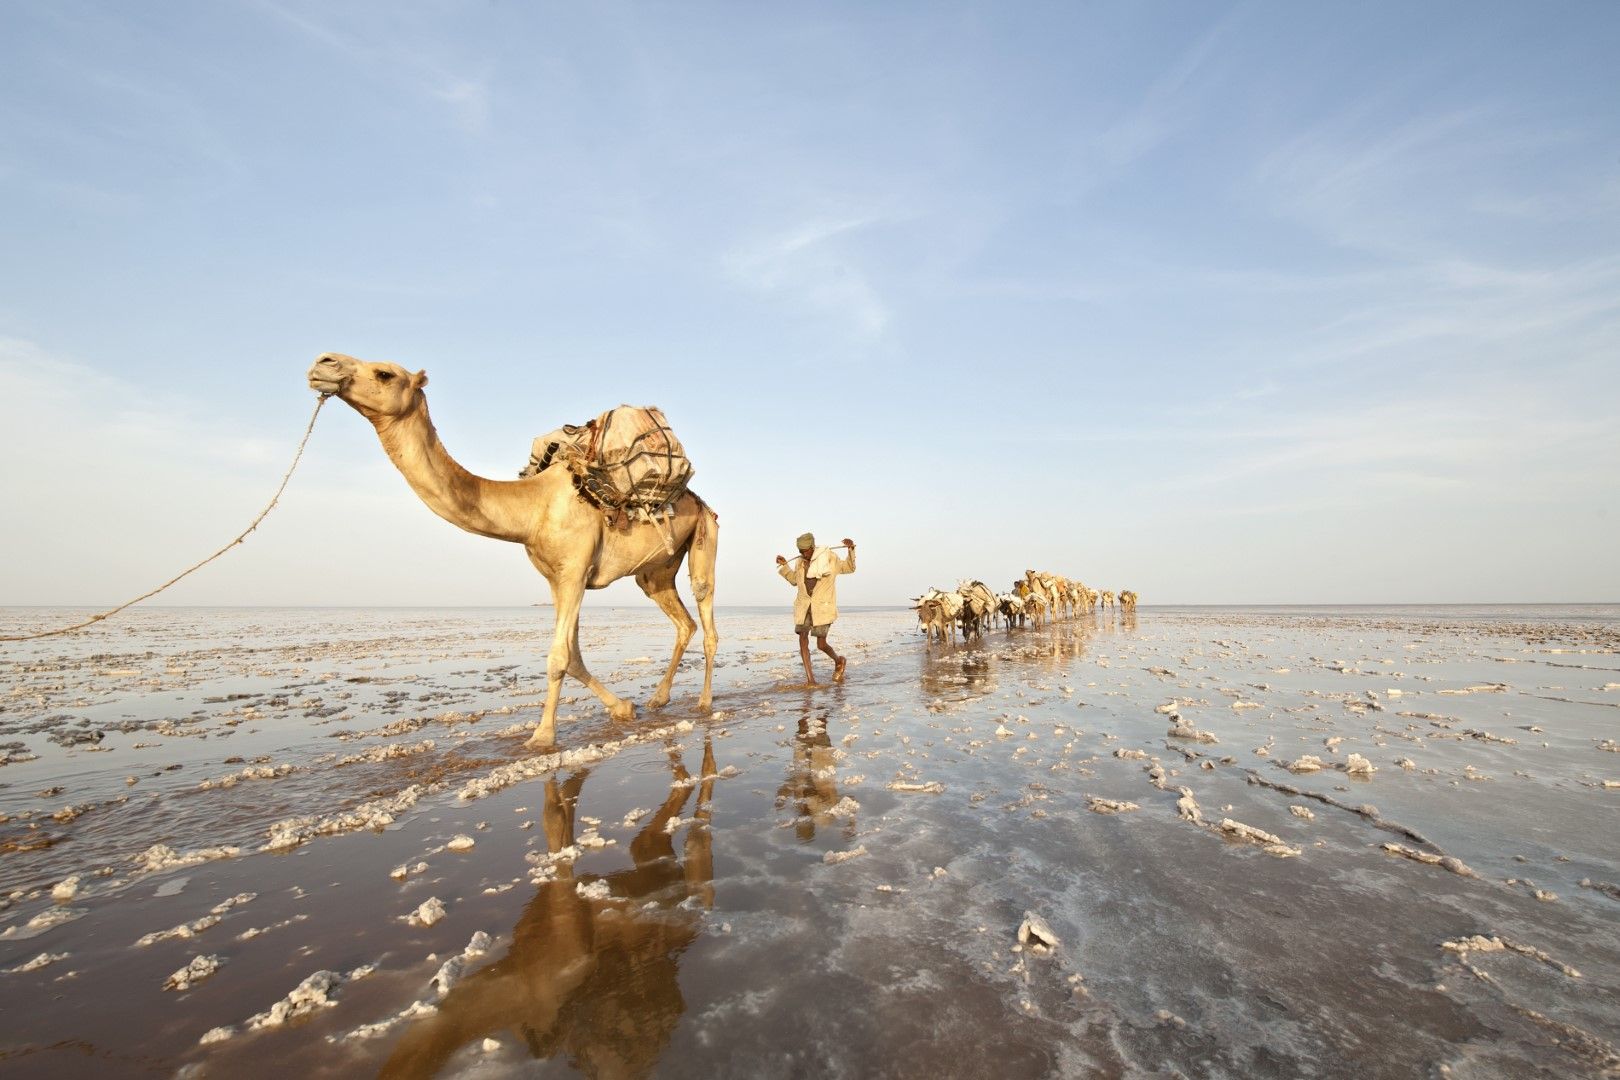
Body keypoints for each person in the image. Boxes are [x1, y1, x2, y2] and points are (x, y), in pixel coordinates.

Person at [775, 532, 856, 685]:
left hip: (822, 606)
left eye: (805, 551)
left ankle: (839, 660)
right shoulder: (800, 562)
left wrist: (850, 549)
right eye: (800, 551)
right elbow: (794, 581)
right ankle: (811, 680)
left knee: (821, 644)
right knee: (802, 640)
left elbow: (849, 568)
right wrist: (785, 566)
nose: (803, 554)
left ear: (812, 547)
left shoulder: (830, 557)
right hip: (804, 605)